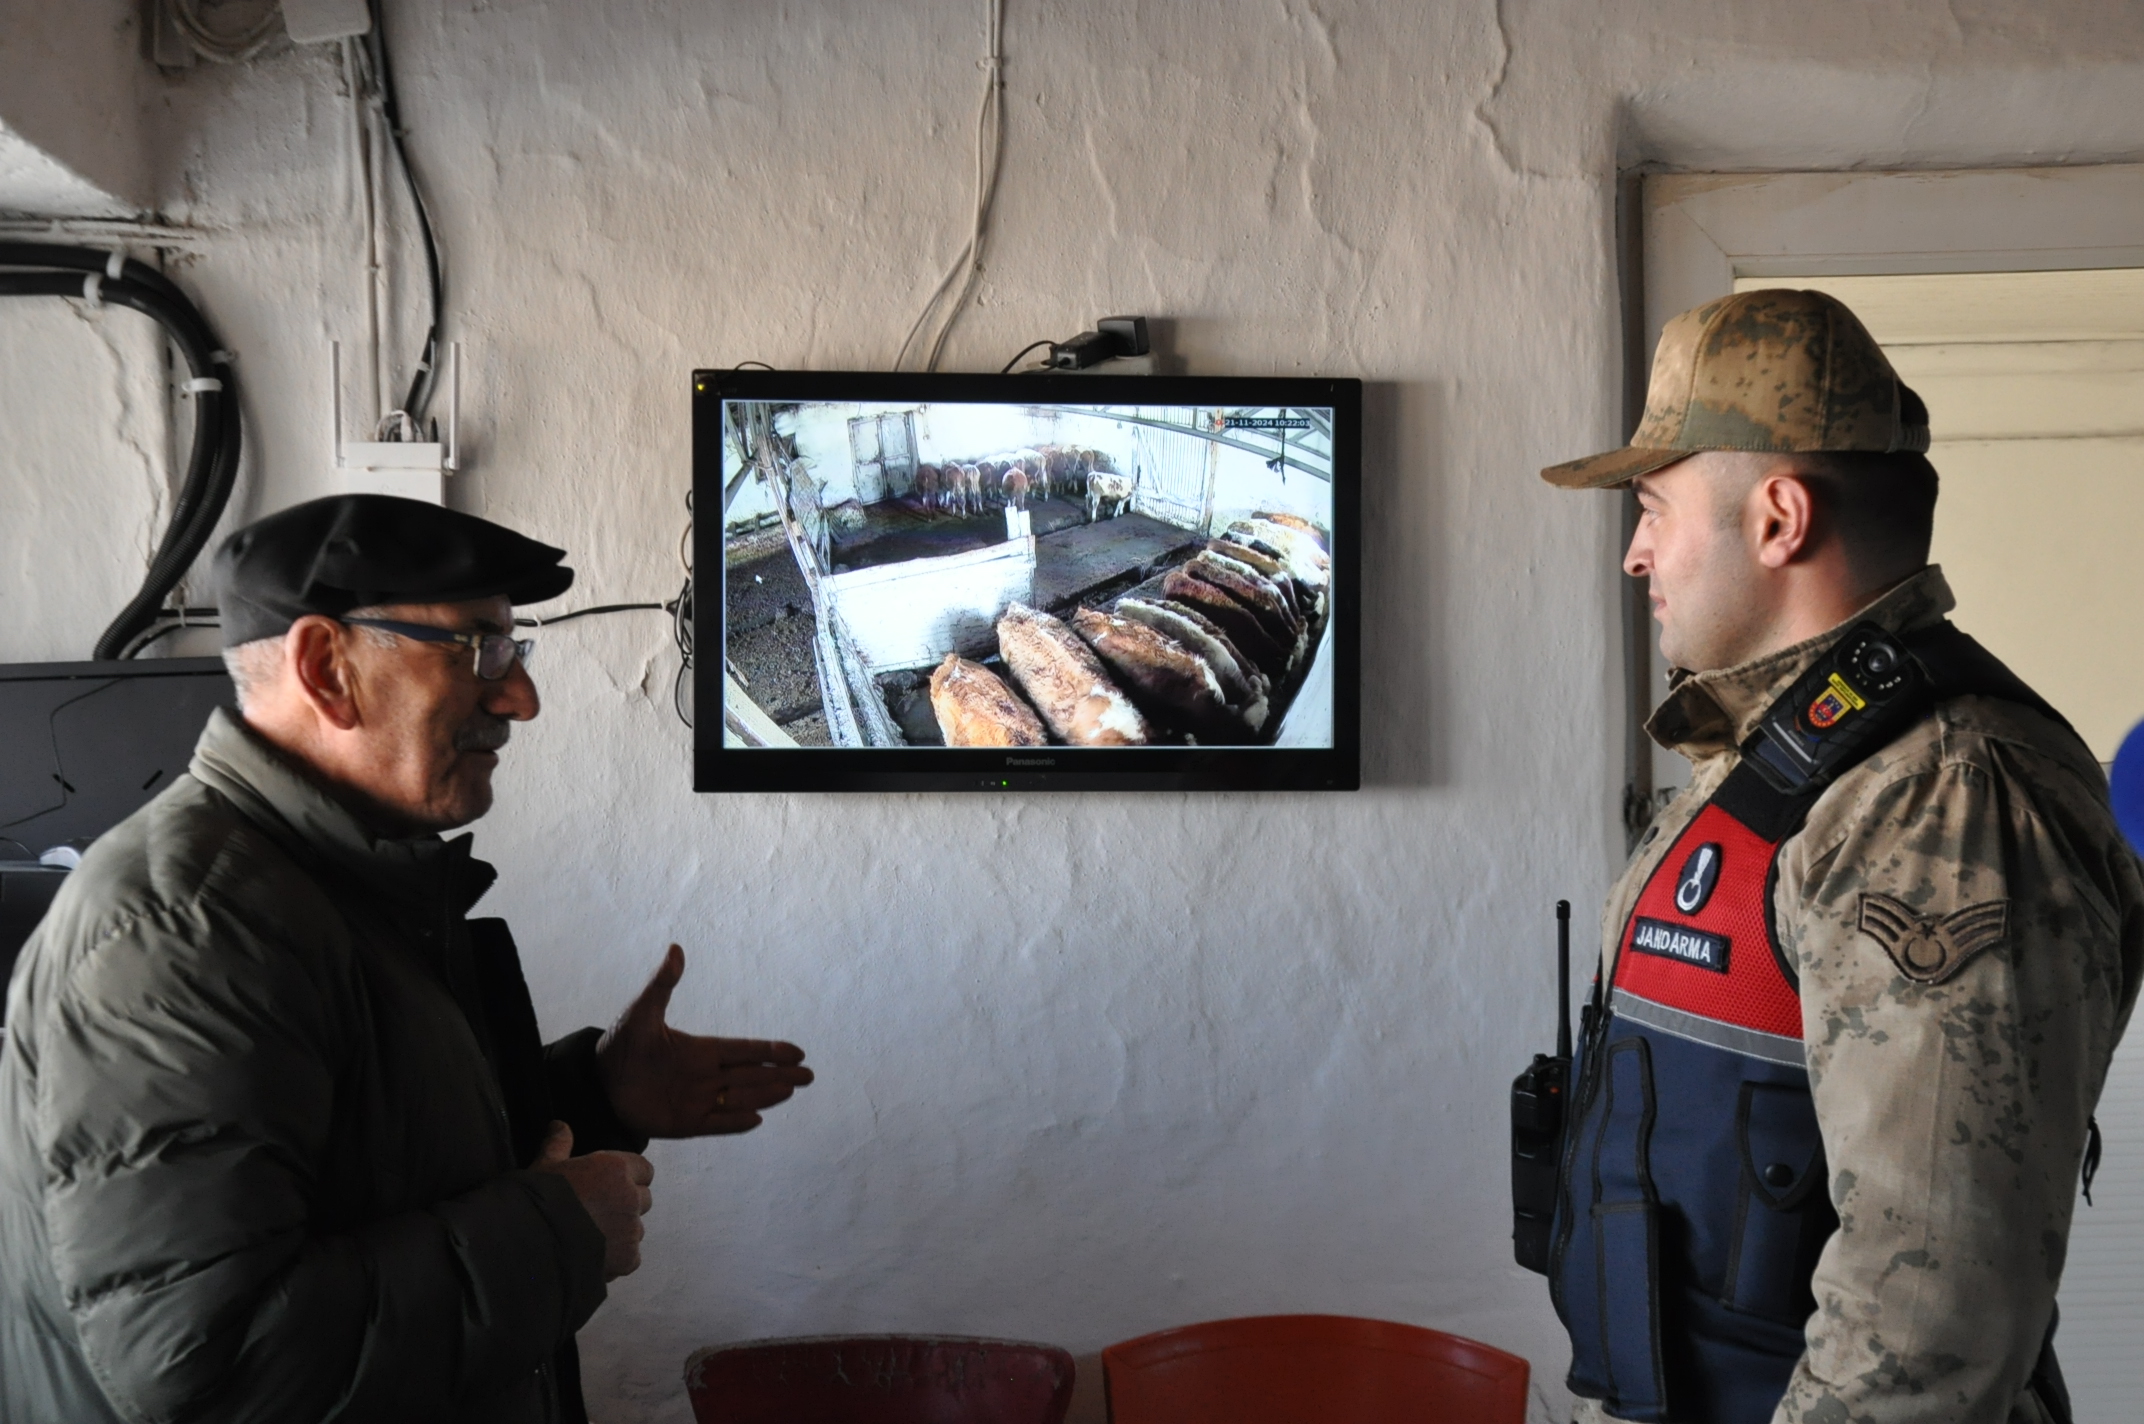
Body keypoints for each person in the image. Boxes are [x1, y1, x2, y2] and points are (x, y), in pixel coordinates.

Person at [0, 495, 814, 1424]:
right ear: (324, 667)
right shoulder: (184, 931)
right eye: (478, 650)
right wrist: (557, 1234)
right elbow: (211, 1368)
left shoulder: (339, 886)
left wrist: (594, 1097)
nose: (521, 698)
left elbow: (369, 1169)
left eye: (517, 651)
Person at [1535, 289, 2143, 1424]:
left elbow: (1924, 1321)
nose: (1634, 551)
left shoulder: (1938, 796)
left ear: (1775, 518)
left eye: (1654, 506)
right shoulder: (1780, 761)